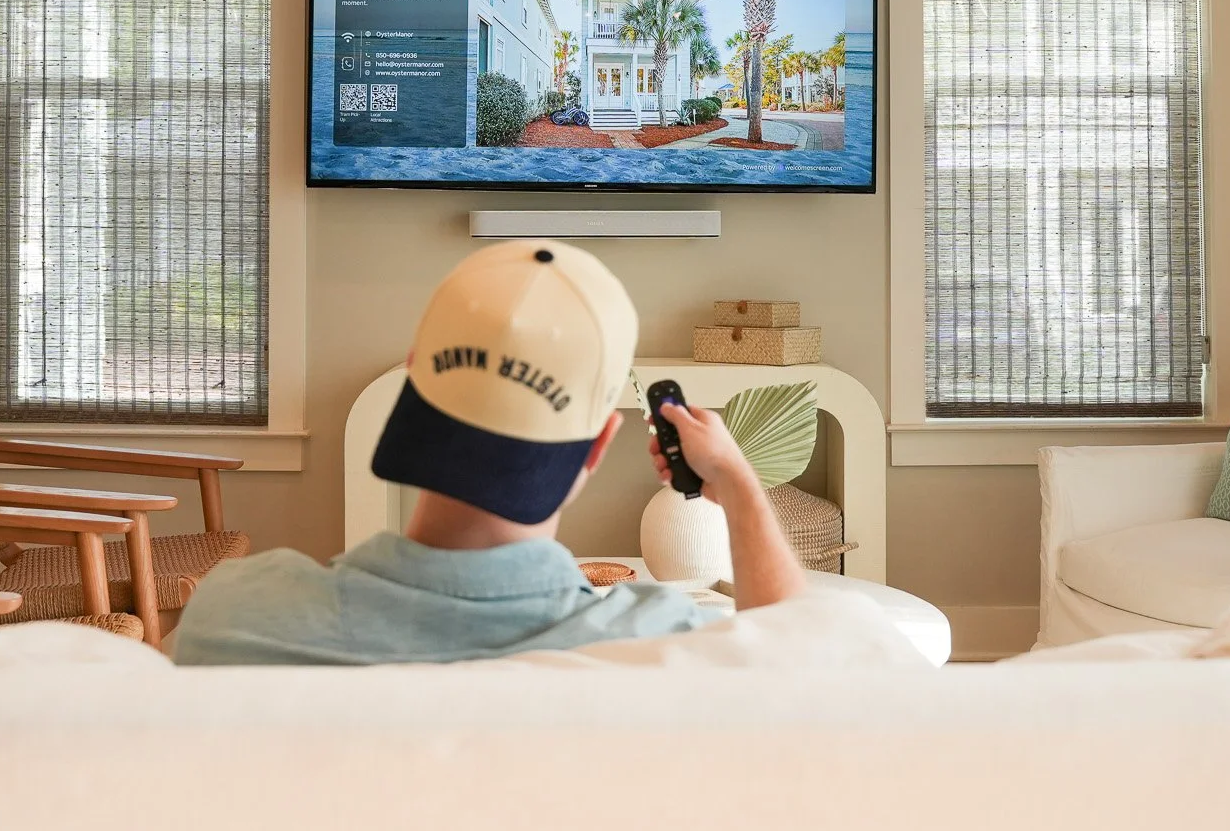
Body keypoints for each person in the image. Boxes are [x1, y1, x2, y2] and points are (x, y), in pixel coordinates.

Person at [174, 238, 806, 665]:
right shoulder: (662, 645)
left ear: (414, 376)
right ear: (598, 444)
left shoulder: (233, 618)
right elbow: (802, 657)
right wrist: (738, 485)